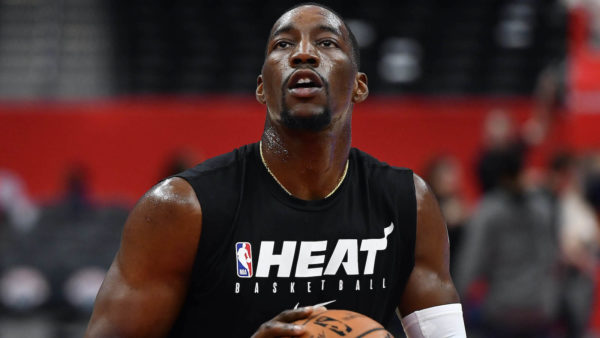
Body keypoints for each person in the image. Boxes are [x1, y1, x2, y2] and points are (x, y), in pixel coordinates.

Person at [85, 4, 466, 337]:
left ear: (359, 86)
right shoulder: (182, 209)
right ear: (261, 88)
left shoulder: (407, 204)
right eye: (283, 45)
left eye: (327, 43)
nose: (303, 54)